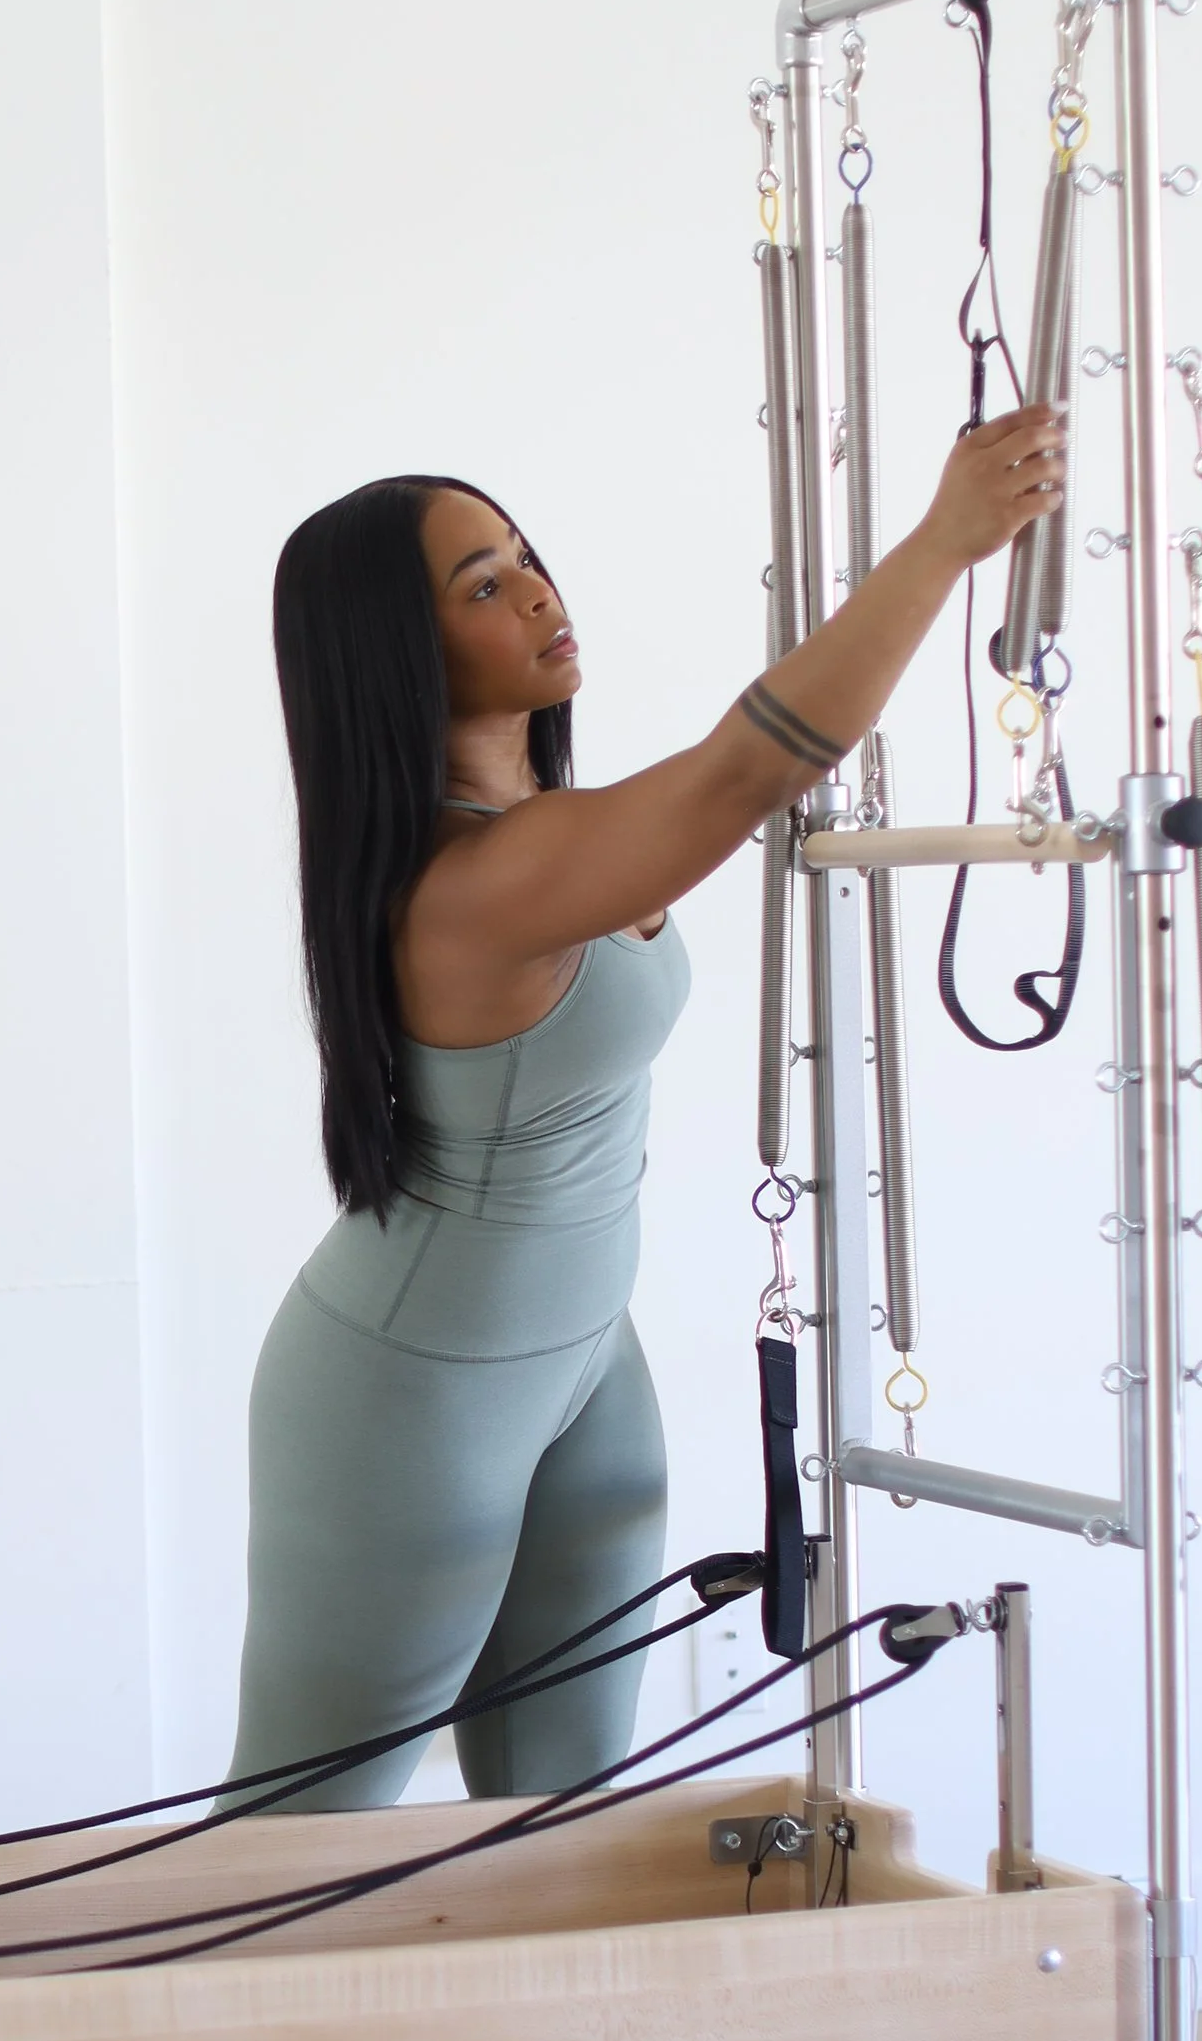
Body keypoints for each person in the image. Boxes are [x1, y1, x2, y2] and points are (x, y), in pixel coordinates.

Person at [227, 410, 1064, 1833]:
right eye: (482, 584)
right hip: (411, 1395)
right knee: (294, 1839)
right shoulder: (479, 879)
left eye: (525, 556)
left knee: (563, 1813)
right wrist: (942, 545)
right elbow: (749, 767)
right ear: (394, 651)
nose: (538, 592)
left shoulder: (556, 828)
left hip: (581, 1364)